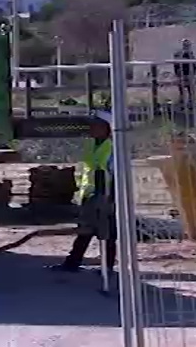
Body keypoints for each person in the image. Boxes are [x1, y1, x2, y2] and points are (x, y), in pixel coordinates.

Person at [49, 113, 116, 273]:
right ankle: (73, 263)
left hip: (105, 194)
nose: (92, 129)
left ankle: (106, 267)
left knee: (106, 233)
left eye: (96, 126)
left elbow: (113, 173)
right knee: (85, 231)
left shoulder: (111, 148)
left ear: (106, 128)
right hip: (89, 195)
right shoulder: (92, 145)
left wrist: (110, 197)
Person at [173, 38, 196, 108]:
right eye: (185, 44)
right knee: (182, 89)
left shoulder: (190, 54)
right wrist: (177, 73)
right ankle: (182, 102)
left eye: (188, 44)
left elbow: (194, 65)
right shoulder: (180, 53)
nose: (187, 46)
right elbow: (176, 64)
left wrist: (193, 73)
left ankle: (190, 102)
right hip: (182, 73)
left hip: (188, 73)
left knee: (190, 89)